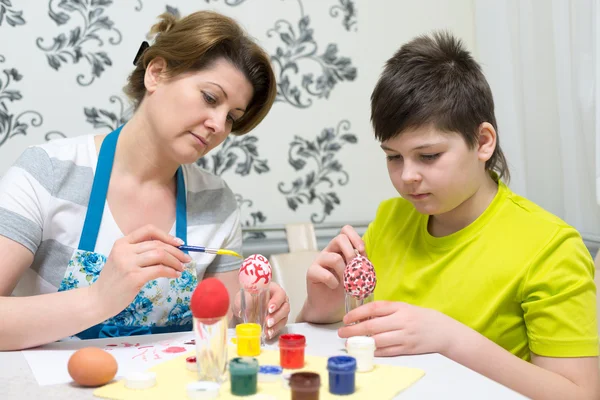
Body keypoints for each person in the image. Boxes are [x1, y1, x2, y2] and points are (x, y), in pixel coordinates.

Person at [298, 31, 600, 399]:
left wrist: (451, 339)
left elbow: (579, 394)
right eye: (393, 156)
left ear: (484, 142)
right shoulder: (391, 218)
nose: (407, 175)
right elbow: (337, 347)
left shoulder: (551, 248)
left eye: (428, 156)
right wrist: (321, 308)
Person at [0, 10, 290, 350]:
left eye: (231, 118)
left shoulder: (216, 200)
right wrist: (98, 299)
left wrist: (251, 309)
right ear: (156, 73)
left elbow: (220, 326)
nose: (217, 125)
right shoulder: (48, 172)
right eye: (210, 98)